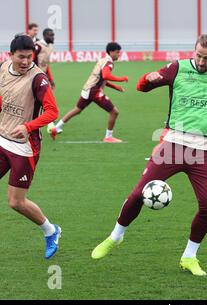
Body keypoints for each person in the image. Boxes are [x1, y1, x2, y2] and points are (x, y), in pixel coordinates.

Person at [91, 34, 207, 276]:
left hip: (202, 150)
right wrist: (147, 80)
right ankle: (115, 237)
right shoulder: (177, 67)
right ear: (194, 51)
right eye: (198, 56)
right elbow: (142, 86)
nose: (201, 62)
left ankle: (189, 257)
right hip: (173, 143)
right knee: (138, 194)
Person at [0, 35, 61, 258]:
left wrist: (28, 126)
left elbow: (53, 112)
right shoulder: (4, 67)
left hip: (24, 148)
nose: (26, 62)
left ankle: (51, 231)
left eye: (29, 57)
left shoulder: (38, 79)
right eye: (21, 57)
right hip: (1, 138)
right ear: (10, 56)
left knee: (15, 202)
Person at [48, 42, 128, 142]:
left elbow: (102, 78)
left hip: (87, 89)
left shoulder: (103, 60)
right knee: (114, 112)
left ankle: (56, 128)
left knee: (77, 109)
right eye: (117, 52)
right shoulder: (109, 63)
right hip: (94, 91)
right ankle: (108, 137)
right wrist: (121, 79)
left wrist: (116, 87)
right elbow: (106, 76)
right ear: (111, 52)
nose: (118, 54)